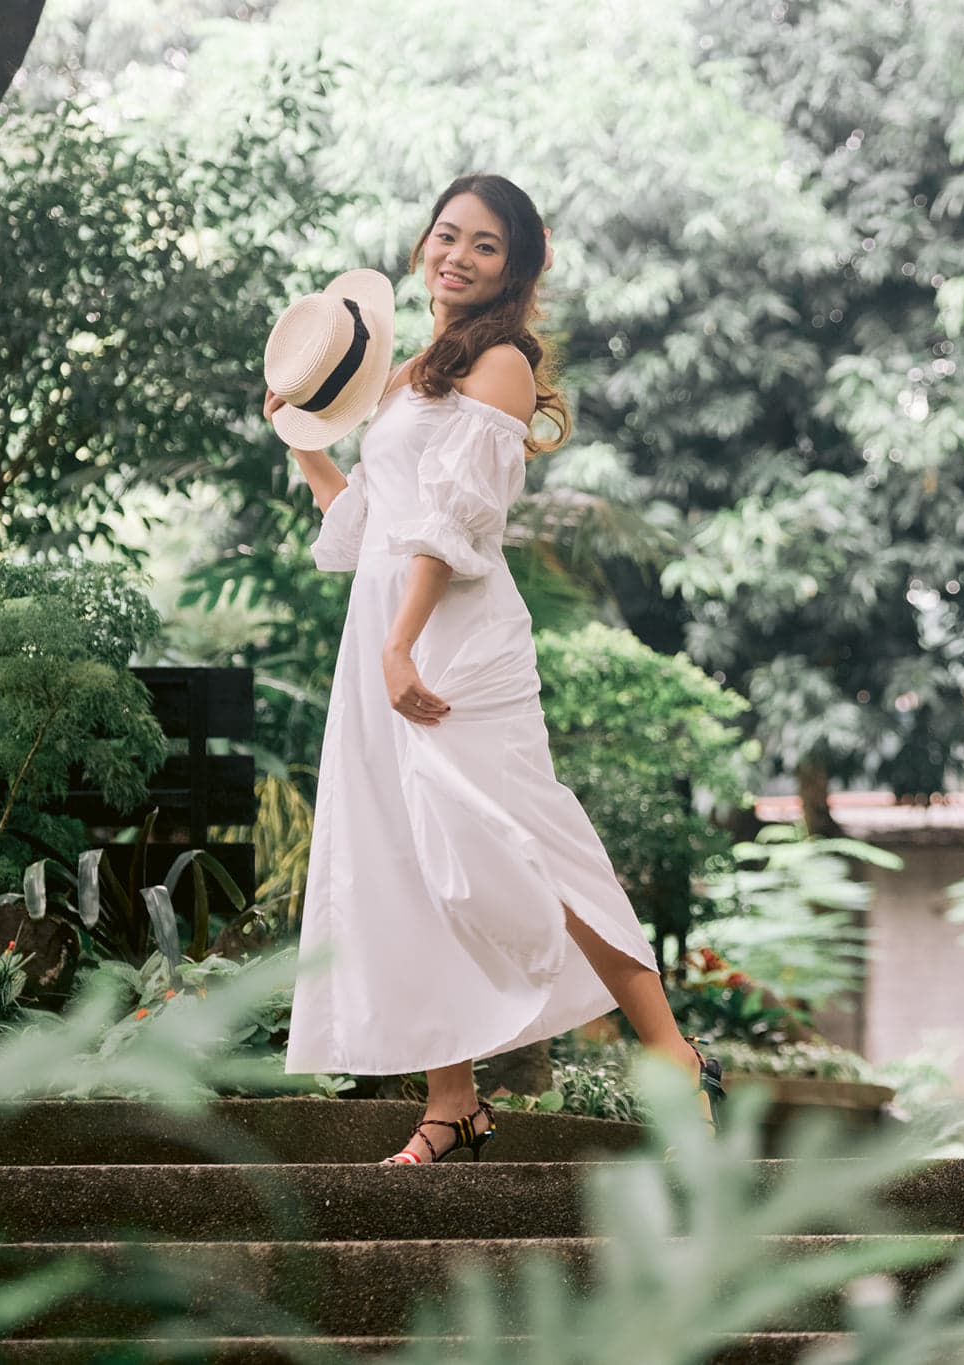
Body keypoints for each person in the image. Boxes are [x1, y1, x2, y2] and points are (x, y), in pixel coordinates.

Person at [267, 173, 724, 1164]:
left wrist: (404, 644)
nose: (456, 256)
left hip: (454, 636)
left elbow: (454, 520)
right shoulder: (411, 370)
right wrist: (302, 439)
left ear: (515, 267)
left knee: (524, 843)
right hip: (380, 625)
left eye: (483, 244)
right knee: (401, 859)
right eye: (445, 236)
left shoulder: (503, 363)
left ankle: (671, 1056)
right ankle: (452, 1104)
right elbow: (368, 526)